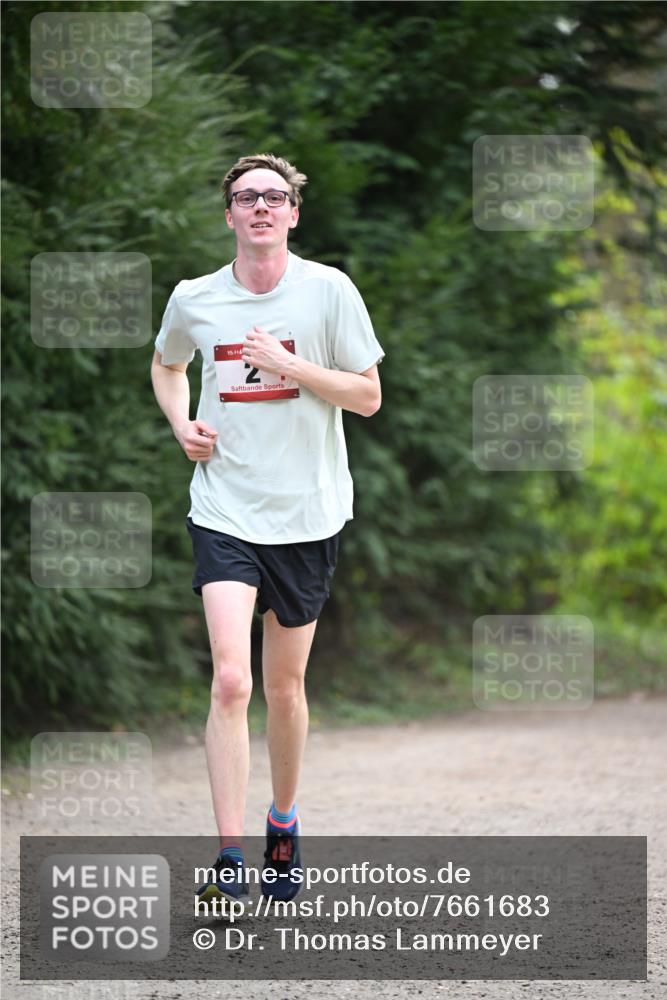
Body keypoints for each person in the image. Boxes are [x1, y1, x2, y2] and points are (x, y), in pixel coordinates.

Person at [151, 153, 384, 907]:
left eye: (274, 197)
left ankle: (282, 822)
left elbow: (368, 396)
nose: (259, 207)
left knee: (283, 689)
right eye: (246, 196)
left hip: (308, 513)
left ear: (292, 213)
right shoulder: (195, 297)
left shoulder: (327, 292)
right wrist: (179, 420)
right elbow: (166, 363)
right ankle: (226, 853)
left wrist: (289, 363)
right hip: (223, 507)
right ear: (228, 215)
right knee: (231, 678)